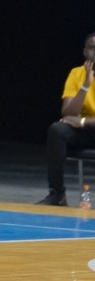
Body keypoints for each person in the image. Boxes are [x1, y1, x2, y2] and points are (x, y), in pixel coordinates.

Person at [39, 33, 95, 205]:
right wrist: (86, 84)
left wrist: (83, 121)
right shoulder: (76, 74)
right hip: (87, 132)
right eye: (93, 48)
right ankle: (57, 194)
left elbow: (78, 119)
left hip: (86, 124)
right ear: (85, 52)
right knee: (57, 130)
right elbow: (68, 113)